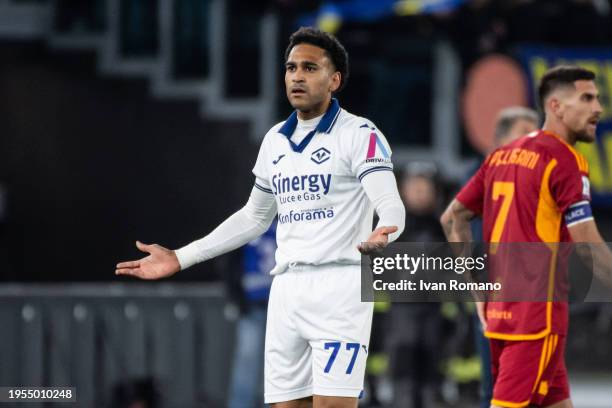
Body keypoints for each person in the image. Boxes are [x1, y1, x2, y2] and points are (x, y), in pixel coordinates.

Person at [116, 27, 405, 408]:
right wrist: (181, 256)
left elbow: (390, 200)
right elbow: (254, 217)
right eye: (290, 67)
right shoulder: (275, 141)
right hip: (285, 289)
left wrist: (387, 230)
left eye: (310, 67)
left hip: (341, 287)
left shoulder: (358, 133)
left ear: (334, 79)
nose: (297, 76)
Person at [441, 65, 612, 408]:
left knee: (555, 402)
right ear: (556, 107)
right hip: (535, 319)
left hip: (501, 312)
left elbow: (452, 217)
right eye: (587, 98)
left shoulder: (499, 157)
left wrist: (478, 290)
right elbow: (587, 244)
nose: (598, 108)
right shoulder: (565, 160)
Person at [470, 107, 539, 408]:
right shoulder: (484, 178)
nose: (533, 140)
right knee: (496, 387)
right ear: (500, 140)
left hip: (536, 302)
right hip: (497, 299)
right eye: (525, 132)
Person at [387, 163, 446, 408]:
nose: (420, 192)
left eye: (425, 187)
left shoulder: (444, 226)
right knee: (404, 382)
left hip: (436, 313)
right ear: (402, 191)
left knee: (432, 381)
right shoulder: (390, 227)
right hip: (400, 313)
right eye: (414, 187)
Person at [226, 221, 276, 408]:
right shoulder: (249, 222)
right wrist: (236, 297)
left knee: (277, 363)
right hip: (252, 304)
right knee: (247, 361)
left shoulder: (287, 219)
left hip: (279, 306)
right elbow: (229, 260)